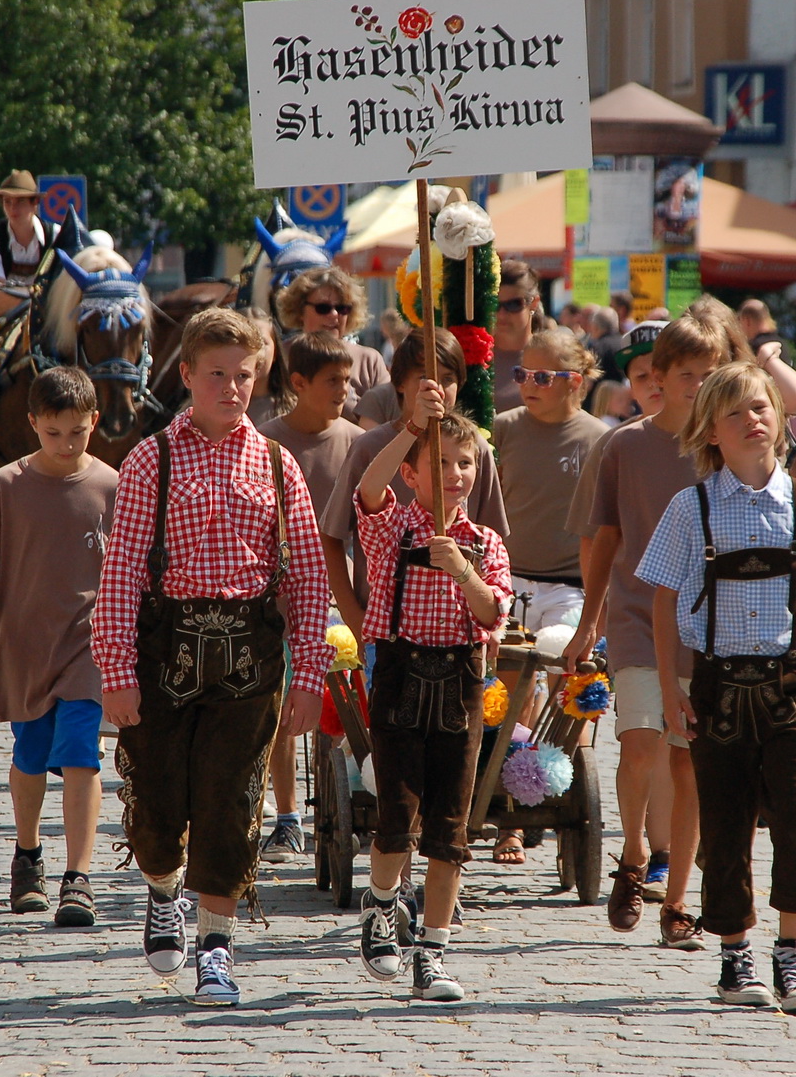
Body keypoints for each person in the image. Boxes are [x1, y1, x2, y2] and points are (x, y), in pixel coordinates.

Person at [92, 307, 332, 1007]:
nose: (231, 387)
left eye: (244, 375)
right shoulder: (149, 458)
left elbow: (307, 578)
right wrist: (116, 672)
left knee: (231, 808)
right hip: (166, 651)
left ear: (260, 377)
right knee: (157, 808)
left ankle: (217, 949)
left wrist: (310, 675)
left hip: (250, 658)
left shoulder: (280, 463)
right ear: (189, 375)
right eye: (217, 374)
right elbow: (123, 573)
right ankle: (163, 887)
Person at [637, 358, 796, 1011]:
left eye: (762, 407)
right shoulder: (690, 509)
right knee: (725, 822)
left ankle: (791, 954)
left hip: (793, 681)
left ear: (781, 419)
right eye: (736, 411)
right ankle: (735, 955)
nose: (752, 419)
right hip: (715, 683)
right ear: (710, 430)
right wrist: (671, 685)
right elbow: (662, 600)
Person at [567, 308, 733, 951]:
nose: (699, 384)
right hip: (637, 616)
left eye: (711, 372)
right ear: (657, 378)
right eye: (687, 373)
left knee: (687, 763)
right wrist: (590, 619)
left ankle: (678, 900)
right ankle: (633, 849)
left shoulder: (728, 449)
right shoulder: (626, 446)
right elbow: (603, 539)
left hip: (711, 624)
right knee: (640, 747)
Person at [353, 393, 513, 1002]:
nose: (454, 475)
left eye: (465, 464)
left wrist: (463, 571)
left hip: (461, 684)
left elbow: (493, 609)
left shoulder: (486, 540)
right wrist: (415, 426)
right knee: (397, 816)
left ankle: (435, 954)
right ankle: (382, 905)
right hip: (398, 677)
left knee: (450, 829)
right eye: (440, 463)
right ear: (414, 473)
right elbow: (368, 485)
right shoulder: (392, 524)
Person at [0, 366, 117, 927]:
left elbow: (131, 575)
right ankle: (28, 856)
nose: (67, 445)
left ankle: (79, 877)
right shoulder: (5, 487)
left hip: (89, 645)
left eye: (77, 432)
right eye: (53, 434)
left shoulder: (112, 486)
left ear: (94, 421)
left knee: (80, 754)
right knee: (30, 756)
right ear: (32, 425)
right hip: (23, 645)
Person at [488, 328, 606, 864]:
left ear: (573, 382)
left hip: (569, 586)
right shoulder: (503, 430)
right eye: (520, 374)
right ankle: (510, 817)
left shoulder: (599, 439)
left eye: (540, 376)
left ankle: (566, 800)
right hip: (508, 580)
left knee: (570, 694)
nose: (527, 385)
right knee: (509, 696)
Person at [320, 329, 509, 647]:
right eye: (425, 377)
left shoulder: (474, 447)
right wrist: (356, 619)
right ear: (399, 384)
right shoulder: (371, 447)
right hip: (389, 634)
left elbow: (492, 543)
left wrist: (493, 626)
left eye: (448, 378)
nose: (438, 388)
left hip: (461, 639)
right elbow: (335, 533)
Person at [256, 331, 363, 864]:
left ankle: (348, 801)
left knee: (346, 704)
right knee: (278, 710)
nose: (345, 390)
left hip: (340, 598)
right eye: (333, 381)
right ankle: (288, 815)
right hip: (278, 600)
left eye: (348, 379)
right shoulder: (264, 442)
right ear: (298, 383)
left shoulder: (357, 441)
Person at [276, 267, 388, 418]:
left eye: (342, 308)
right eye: (323, 308)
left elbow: (388, 417)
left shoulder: (369, 361)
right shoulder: (280, 357)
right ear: (300, 310)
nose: (334, 315)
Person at [0, 170, 56, 285]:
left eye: (20, 201)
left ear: (35, 203)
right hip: (4, 301)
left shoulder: (55, 235)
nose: (13, 208)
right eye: (7, 202)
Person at [492, 259, 548, 413]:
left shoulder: (551, 356)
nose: (502, 314)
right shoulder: (475, 356)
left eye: (514, 304)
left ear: (534, 303)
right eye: (494, 304)